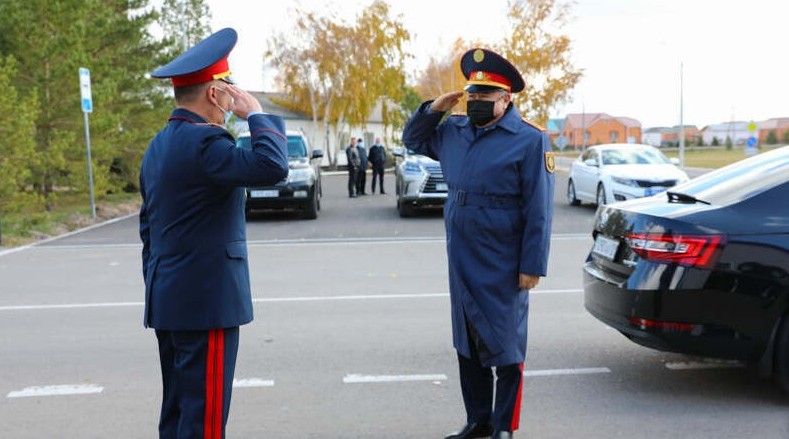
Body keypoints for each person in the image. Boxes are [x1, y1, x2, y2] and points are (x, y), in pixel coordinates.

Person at [139, 28, 289, 439]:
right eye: (228, 89)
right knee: (204, 421)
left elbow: (147, 229)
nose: (232, 98)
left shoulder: (158, 145)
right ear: (214, 94)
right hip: (205, 304)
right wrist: (256, 114)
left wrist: (162, 283)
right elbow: (273, 167)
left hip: (169, 299)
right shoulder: (205, 141)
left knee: (177, 415)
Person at [402, 48, 555, 439]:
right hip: (462, 252)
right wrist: (435, 107)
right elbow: (412, 140)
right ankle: (479, 421)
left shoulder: (529, 139)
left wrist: (532, 264)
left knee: (506, 343)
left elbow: (539, 207)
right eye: (472, 95)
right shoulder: (453, 130)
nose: (476, 103)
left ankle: (504, 426)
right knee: (467, 340)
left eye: (485, 96)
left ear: (506, 99)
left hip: (503, 255)